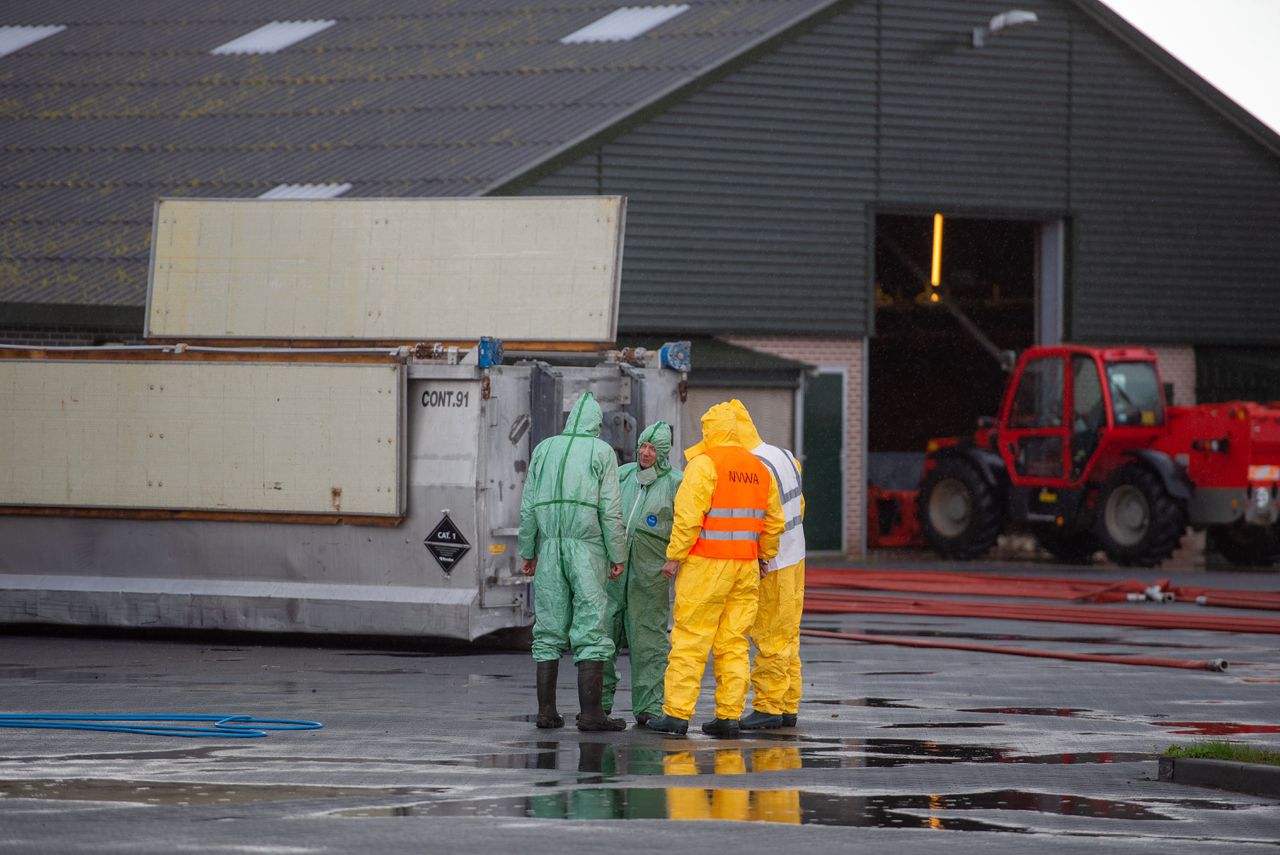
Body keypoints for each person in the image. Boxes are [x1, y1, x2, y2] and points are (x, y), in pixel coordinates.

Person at [646, 401, 784, 739]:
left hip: (707, 566)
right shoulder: (759, 468)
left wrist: (674, 556)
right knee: (734, 643)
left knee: (691, 639)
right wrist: (764, 556)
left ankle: (677, 715)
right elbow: (773, 521)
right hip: (746, 568)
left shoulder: (704, 464)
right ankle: (728, 717)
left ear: (710, 430)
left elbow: (688, 517)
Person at [518, 391, 627, 732]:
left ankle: (546, 712)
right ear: (596, 423)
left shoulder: (544, 449)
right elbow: (610, 510)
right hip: (587, 549)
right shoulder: (601, 452)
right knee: (591, 626)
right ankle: (592, 714)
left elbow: (528, 505)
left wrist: (528, 550)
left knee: (548, 628)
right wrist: (617, 554)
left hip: (549, 548)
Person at [732, 401, 807, 730]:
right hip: (796, 555)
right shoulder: (785, 455)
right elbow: (799, 505)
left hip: (774, 561)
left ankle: (768, 707)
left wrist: (763, 556)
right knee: (789, 635)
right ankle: (788, 705)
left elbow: (767, 518)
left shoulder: (754, 465)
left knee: (770, 636)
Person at [602, 421, 682, 727]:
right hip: (615, 568)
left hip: (651, 573)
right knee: (605, 634)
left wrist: (675, 557)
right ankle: (600, 703)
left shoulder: (675, 482)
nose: (645, 453)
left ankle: (649, 706)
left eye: (652, 449)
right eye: (643, 446)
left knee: (648, 639)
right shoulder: (623, 475)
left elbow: (686, 523)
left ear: (663, 454)